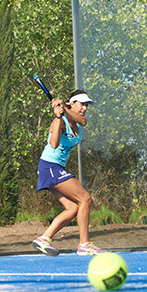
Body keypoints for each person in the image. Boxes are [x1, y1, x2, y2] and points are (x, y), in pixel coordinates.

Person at [32, 90, 106, 257]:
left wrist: (64, 108)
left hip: (55, 168)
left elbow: (83, 121)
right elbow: (53, 143)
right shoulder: (61, 121)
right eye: (81, 104)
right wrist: (58, 117)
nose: (85, 108)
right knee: (85, 198)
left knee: (72, 208)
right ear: (72, 103)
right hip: (50, 166)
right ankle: (84, 244)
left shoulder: (78, 121)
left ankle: (44, 238)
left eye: (86, 105)